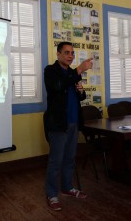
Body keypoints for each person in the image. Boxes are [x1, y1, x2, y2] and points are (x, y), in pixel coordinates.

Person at [43, 41, 93, 211]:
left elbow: (80, 96)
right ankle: (51, 194)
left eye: (72, 53)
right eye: (66, 53)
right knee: (55, 161)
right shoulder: (50, 71)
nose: (70, 56)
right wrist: (79, 70)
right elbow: (58, 87)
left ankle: (67, 188)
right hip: (58, 124)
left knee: (70, 158)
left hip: (73, 122)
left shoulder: (72, 73)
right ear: (58, 54)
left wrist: (81, 90)